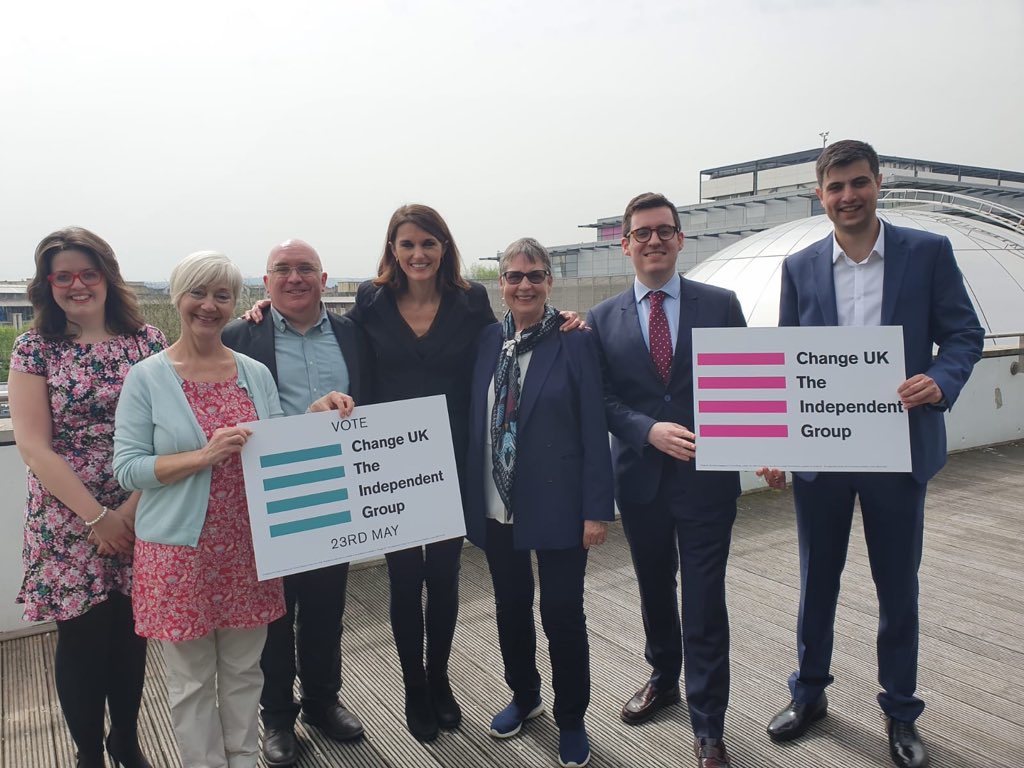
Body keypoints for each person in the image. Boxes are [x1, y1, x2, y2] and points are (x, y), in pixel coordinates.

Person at [762, 140, 984, 768]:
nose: (848, 196)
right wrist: (778, 439)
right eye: (835, 188)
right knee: (816, 583)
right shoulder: (800, 266)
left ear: (878, 183)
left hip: (898, 449)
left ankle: (901, 712)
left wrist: (942, 378)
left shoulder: (928, 253)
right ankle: (808, 696)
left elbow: (965, 333)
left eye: (858, 183)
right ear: (820, 194)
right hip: (822, 455)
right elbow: (786, 362)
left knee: (897, 589)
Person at [114, 251, 349, 768]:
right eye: (199, 292)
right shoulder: (147, 377)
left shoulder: (253, 372)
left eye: (222, 295)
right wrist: (203, 456)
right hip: (180, 553)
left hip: (249, 548)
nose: (209, 305)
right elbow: (127, 469)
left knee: (246, 674)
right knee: (193, 681)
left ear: (235, 303)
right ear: (177, 298)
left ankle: (243, 759)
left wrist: (313, 414)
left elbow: (275, 442)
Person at [588, 193, 746, 768]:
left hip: (707, 482)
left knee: (704, 603)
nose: (653, 241)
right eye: (642, 233)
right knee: (655, 589)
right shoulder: (602, 320)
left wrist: (771, 450)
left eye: (664, 231)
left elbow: (747, 387)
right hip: (641, 481)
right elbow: (602, 399)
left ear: (681, 239)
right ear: (626, 245)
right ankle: (663, 677)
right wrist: (647, 430)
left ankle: (708, 724)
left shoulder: (722, 304)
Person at [8, 227, 165, 768]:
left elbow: (166, 432)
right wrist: (98, 517)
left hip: (139, 500)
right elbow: (31, 444)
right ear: (47, 284)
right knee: (80, 640)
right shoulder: (34, 347)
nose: (77, 285)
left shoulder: (148, 341)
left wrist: (128, 510)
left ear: (107, 276)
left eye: (88, 273)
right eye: (63, 276)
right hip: (67, 512)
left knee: (130, 633)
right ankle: (86, 755)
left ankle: (126, 740)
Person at [463, 238, 613, 768]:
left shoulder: (576, 341)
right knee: (509, 609)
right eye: (513, 276)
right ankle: (525, 698)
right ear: (500, 283)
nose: (524, 285)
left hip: (561, 507)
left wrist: (598, 510)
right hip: (496, 504)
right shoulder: (486, 341)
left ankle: (572, 719)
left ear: (549, 281)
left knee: (562, 614)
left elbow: (596, 430)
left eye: (535, 275)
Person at [223, 239, 368, 767]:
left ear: (324, 280)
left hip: (342, 488)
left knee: (328, 608)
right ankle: (278, 719)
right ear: (265, 283)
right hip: (271, 495)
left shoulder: (355, 333)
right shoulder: (239, 335)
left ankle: (323, 702)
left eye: (305, 268)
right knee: (275, 615)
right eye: (282, 270)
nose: (295, 278)